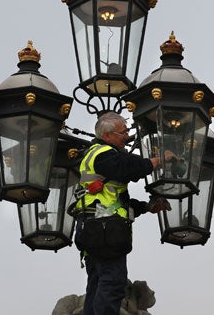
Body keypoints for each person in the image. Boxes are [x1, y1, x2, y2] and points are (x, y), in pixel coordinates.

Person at [73, 112, 174, 315]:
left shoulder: (100, 157)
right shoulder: (102, 153)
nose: (127, 137)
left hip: (94, 230)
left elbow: (117, 203)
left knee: (96, 285)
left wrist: (146, 207)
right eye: (123, 132)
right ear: (108, 135)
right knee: (113, 282)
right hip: (105, 232)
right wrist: (158, 161)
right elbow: (127, 167)